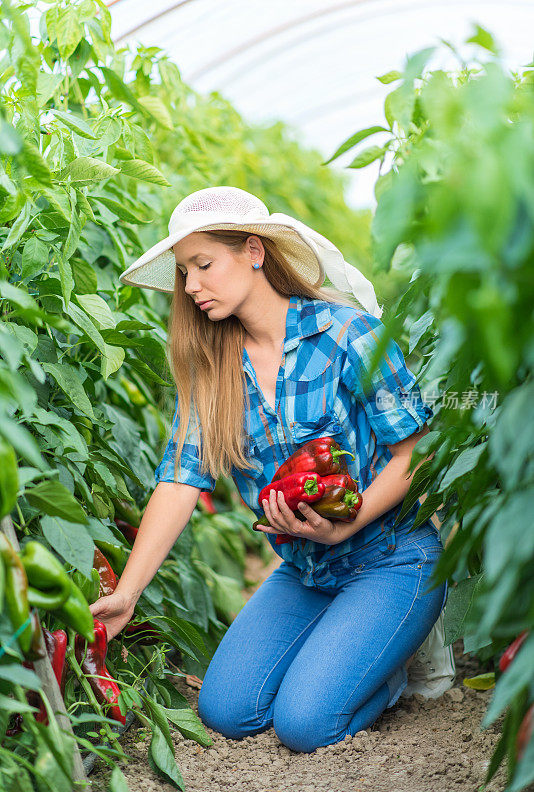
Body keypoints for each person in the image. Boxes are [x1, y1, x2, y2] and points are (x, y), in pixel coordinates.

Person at [89, 186, 455, 753]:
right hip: (308, 572)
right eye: (184, 272)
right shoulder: (213, 370)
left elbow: (417, 455)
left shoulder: (345, 333)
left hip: (391, 558)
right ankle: (346, 650)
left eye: (203, 265)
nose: (190, 287)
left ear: (254, 252)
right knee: (227, 710)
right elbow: (180, 478)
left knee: (305, 724)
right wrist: (129, 592)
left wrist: (348, 524)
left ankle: (389, 668)